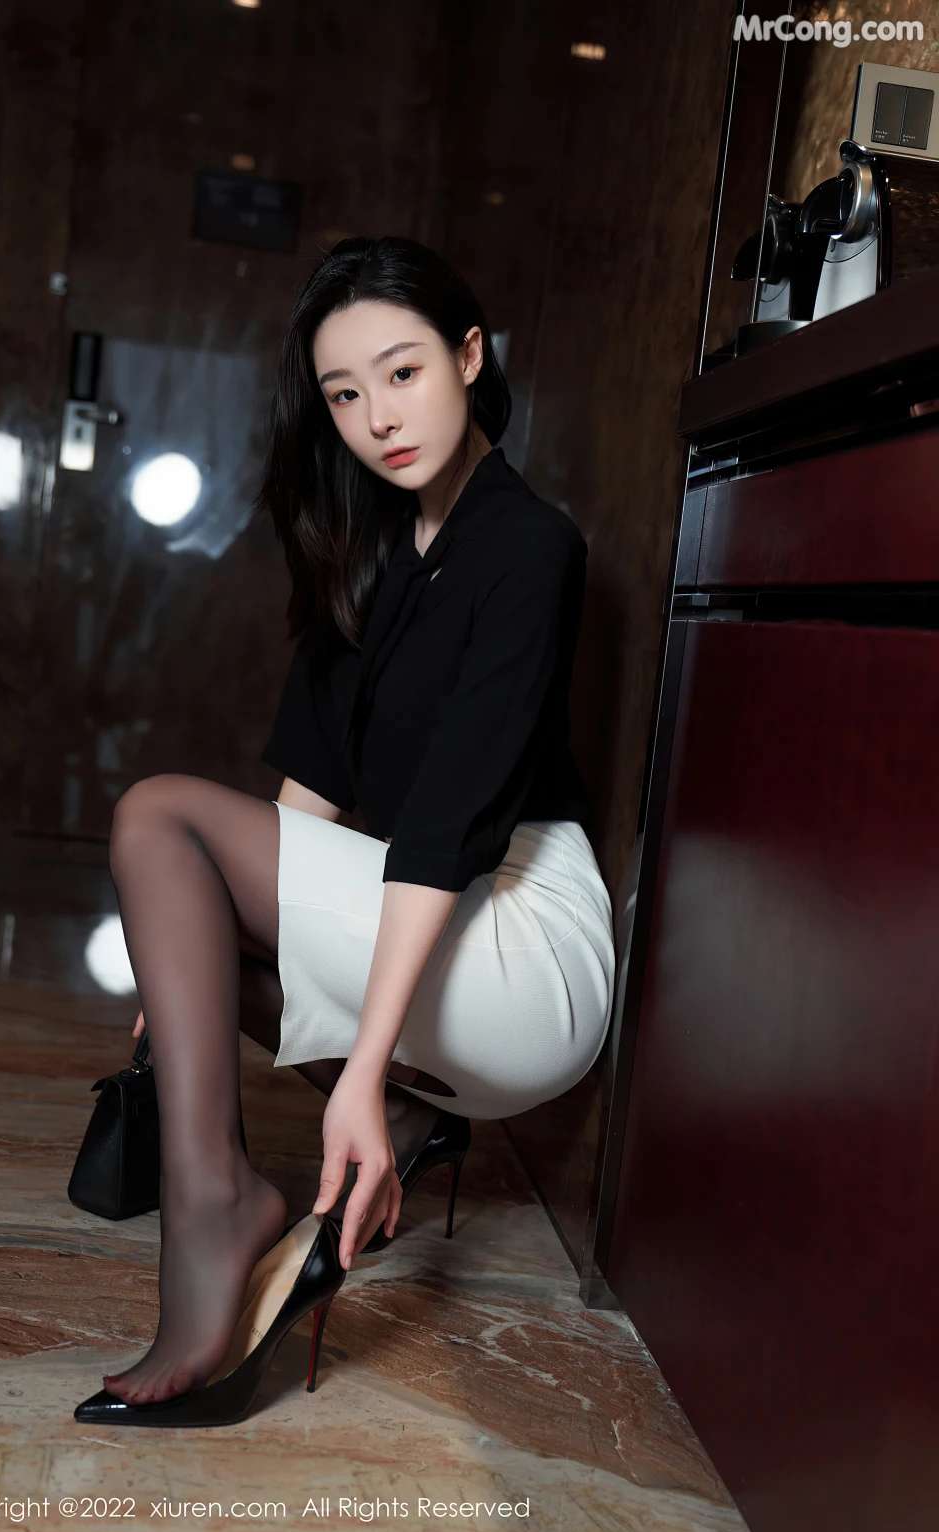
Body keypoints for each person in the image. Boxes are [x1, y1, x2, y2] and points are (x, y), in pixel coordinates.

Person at [82, 235, 616, 1414]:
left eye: (403, 372)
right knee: (192, 941)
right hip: (440, 922)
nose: (379, 417)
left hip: (527, 940)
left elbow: (450, 829)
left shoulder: (529, 546)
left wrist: (358, 1070)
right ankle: (395, 1120)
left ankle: (215, 1210)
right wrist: (195, 945)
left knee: (156, 814)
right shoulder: (366, 551)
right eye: (343, 393)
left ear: (468, 358)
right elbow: (314, 787)